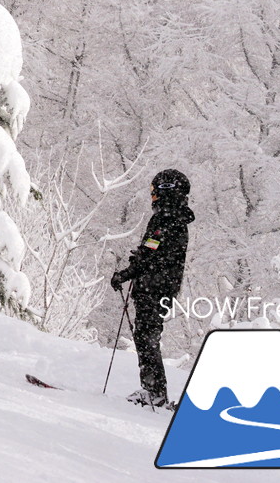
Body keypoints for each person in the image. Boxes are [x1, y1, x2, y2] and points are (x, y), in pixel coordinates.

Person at [111, 168, 195, 408]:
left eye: (155, 191)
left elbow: (152, 255)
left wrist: (128, 272)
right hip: (160, 287)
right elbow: (157, 252)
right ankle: (153, 391)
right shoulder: (175, 218)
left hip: (153, 288)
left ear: (166, 190)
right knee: (146, 336)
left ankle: (154, 393)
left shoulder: (167, 218)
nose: (153, 196)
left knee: (146, 337)